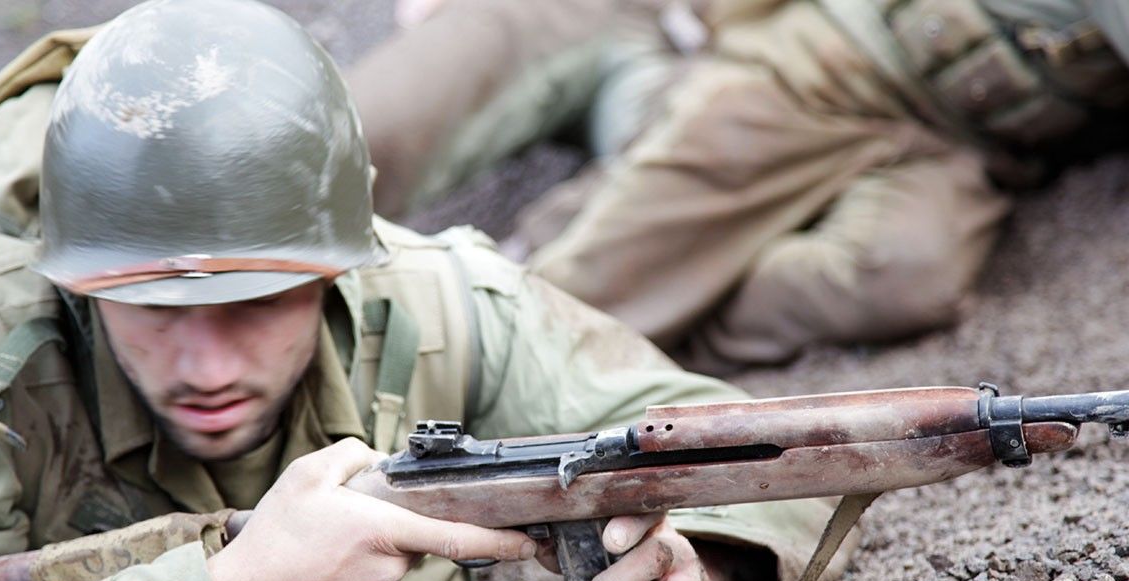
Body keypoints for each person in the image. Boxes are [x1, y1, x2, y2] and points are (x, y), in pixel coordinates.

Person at [0, 1, 854, 581]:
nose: (203, 359)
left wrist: (701, 570)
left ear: (334, 270)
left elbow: (753, 450)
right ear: (78, 282)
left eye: (254, 303)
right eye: (150, 307)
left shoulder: (434, 299)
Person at [348, 0, 1129, 374]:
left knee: (904, 273)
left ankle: (662, 306)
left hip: (935, 135)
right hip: (793, 63)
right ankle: (386, 363)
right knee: (567, 292)